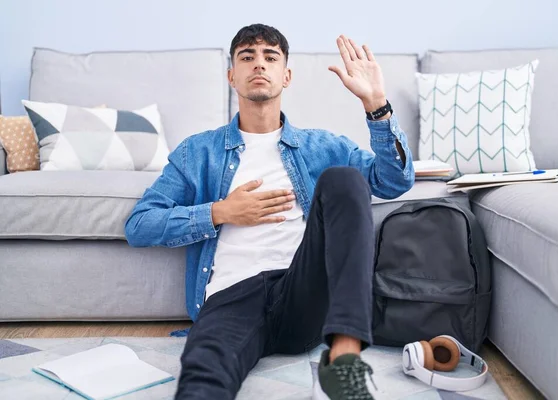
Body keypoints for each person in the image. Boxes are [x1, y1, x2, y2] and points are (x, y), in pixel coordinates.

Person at [125, 23, 414, 400]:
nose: (258, 64)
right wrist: (220, 211)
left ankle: (343, 359)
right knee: (203, 373)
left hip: (301, 293)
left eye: (270, 57)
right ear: (232, 75)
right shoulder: (197, 153)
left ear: (286, 75)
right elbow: (139, 224)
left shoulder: (323, 146)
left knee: (344, 179)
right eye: (247, 57)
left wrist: (376, 105)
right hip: (230, 298)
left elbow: (393, 181)